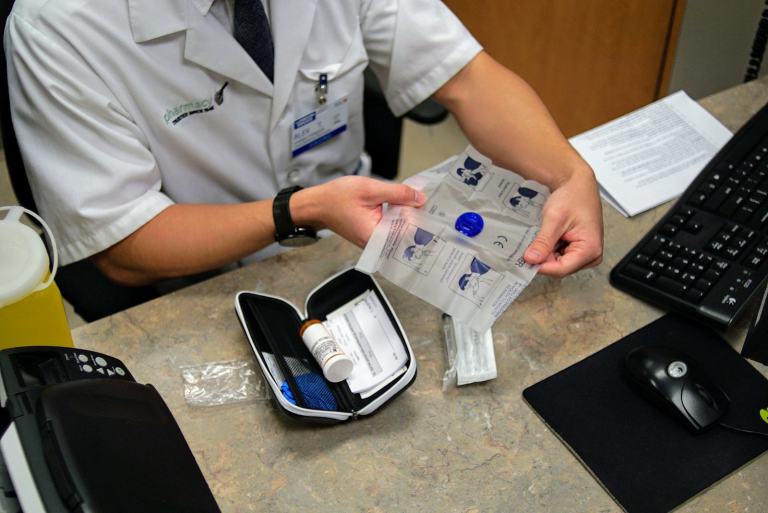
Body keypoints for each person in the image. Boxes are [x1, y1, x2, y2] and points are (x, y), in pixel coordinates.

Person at [5, 0, 603, 291]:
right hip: (195, 279)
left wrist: (569, 173)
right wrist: (300, 210)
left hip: (350, 244)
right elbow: (124, 243)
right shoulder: (58, 26)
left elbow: (468, 78)